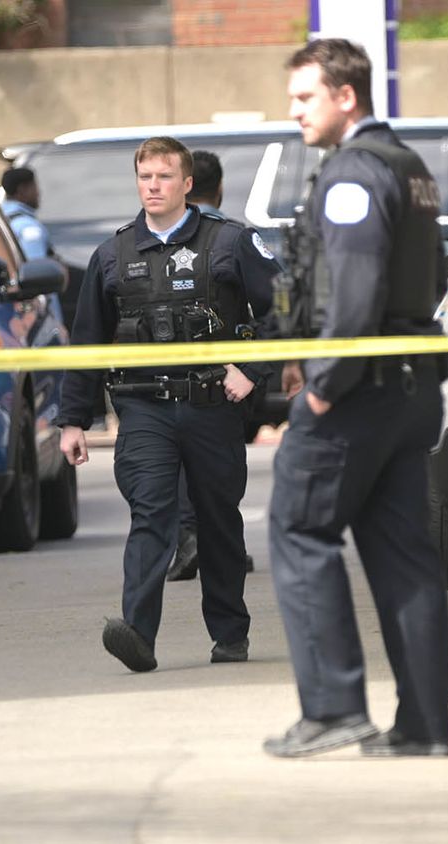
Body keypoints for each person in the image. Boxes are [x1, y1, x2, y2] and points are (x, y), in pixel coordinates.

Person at [263, 38, 448, 758]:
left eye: (305, 97)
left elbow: (355, 293)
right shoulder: (411, 169)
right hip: (409, 390)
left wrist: (322, 389)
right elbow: (425, 278)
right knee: (405, 555)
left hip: (358, 393)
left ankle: (334, 706)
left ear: (347, 96)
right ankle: (423, 726)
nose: (294, 111)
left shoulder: (352, 173)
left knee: (298, 529)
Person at [55, 136, 279, 672]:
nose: (152, 186)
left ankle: (229, 633)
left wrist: (251, 372)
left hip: (211, 406)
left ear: (186, 184)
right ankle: (138, 635)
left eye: (163, 176)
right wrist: (71, 420)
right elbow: (86, 341)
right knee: (151, 515)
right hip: (144, 408)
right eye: (144, 177)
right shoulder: (113, 254)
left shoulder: (230, 244)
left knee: (218, 521)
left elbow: (284, 311)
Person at [165, 149, 259, 582]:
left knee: (182, 457)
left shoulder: (153, 238)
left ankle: (192, 537)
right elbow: (270, 305)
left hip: (164, 374)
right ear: (219, 187)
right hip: (226, 375)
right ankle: (216, 541)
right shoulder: (234, 236)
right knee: (220, 461)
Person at [0, 166, 52, 259]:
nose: (38, 193)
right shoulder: (28, 227)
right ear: (22, 190)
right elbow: (36, 266)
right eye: (34, 187)